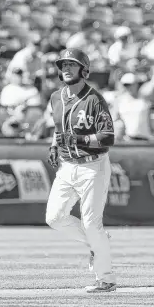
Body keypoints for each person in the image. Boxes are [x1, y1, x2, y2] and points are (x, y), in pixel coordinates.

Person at [45, 48, 116, 293]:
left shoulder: (95, 99)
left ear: (84, 70)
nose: (66, 69)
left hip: (92, 166)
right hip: (67, 167)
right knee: (54, 218)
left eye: (71, 65)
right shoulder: (55, 97)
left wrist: (77, 140)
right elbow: (58, 128)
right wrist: (55, 145)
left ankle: (105, 279)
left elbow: (108, 137)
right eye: (63, 64)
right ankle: (98, 244)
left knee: (92, 223)